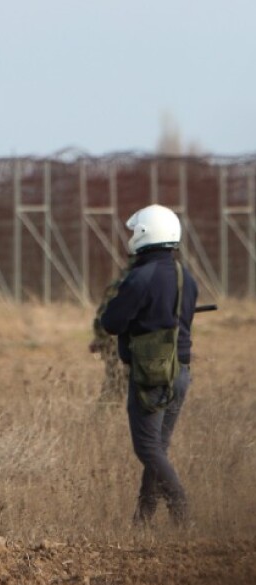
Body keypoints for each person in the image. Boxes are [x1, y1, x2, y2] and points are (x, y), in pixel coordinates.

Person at [100, 205, 197, 526]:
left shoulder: (140, 277)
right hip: (181, 372)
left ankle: (180, 506)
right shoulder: (186, 276)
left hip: (152, 375)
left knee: (147, 449)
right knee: (158, 448)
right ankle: (142, 520)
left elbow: (112, 322)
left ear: (144, 233)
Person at [88, 259, 134, 408]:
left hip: (119, 344)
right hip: (120, 344)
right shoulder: (160, 278)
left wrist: (99, 339)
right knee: (117, 385)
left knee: (115, 385)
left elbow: (103, 317)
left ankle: (104, 418)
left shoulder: (123, 283)